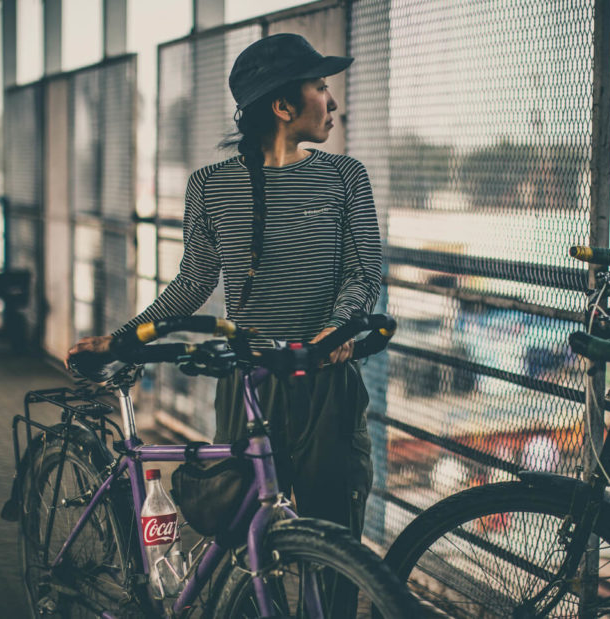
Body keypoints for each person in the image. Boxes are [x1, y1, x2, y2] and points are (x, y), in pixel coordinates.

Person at [67, 33, 383, 539]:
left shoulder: (344, 176)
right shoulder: (210, 185)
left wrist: (337, 330)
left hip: (325, 379)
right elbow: (193, 282)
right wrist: (121, 340)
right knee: (244, 538)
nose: (333, 102)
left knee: (335, 537)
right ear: (283, 106)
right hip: (246, 382)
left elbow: (364, 273)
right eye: (321, 87)